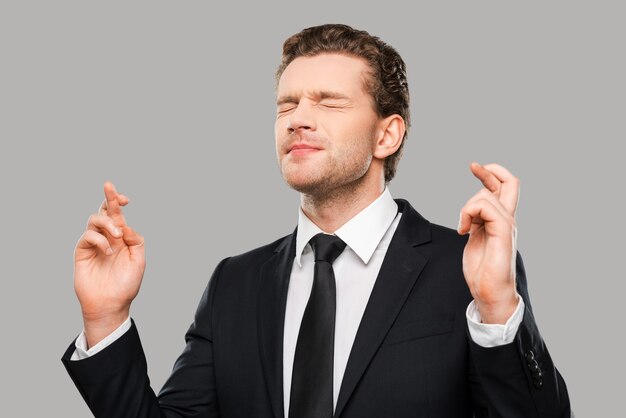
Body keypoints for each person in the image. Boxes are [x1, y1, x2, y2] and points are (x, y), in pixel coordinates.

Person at [62, 24, 571, 417]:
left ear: (386, 136)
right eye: (287, 103)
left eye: (328, 102)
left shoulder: (464, 269)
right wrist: (106, 320)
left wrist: (498, 309)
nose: (298, 118)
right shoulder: (234, 284)